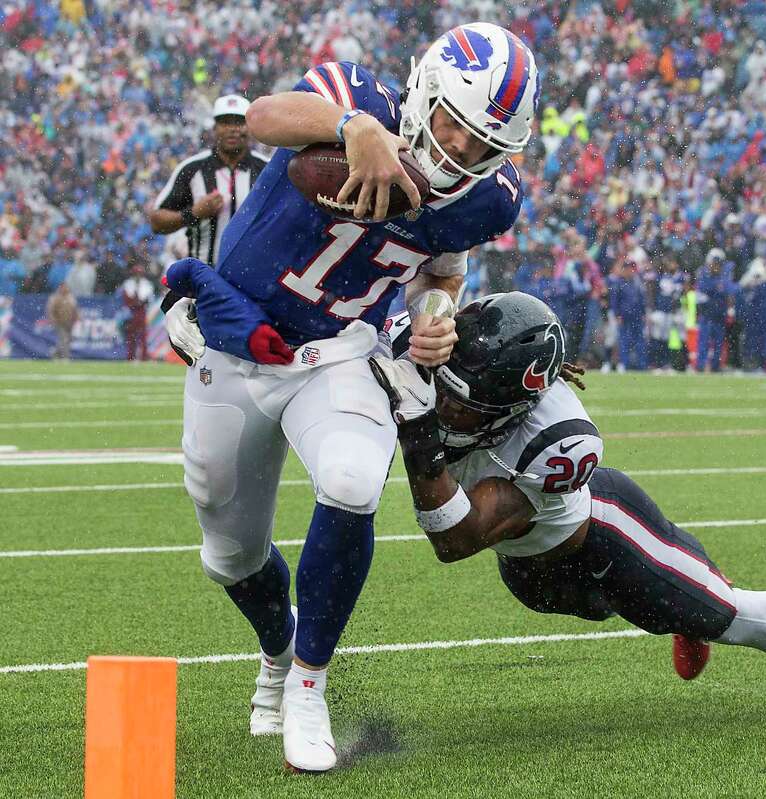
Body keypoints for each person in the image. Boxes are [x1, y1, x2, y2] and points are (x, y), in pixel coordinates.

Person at [160, 23, 539, 773]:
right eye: (452, 128)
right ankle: (277, 650)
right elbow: (265, 115)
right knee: (230, 555)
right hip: (240, 342)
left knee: (353, 479)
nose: (461, 153)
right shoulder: (361, 95)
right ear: (424, 95)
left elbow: (440, 267)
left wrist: (432, 318)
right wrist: (355, 128)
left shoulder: (487, 200)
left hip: (340, 350)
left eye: (481, 146)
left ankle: (308, 683)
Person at [369, 293, 766, 714]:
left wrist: (417, 435)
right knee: (631, 611)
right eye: (442, 388)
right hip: (530, 573)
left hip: (603, 535)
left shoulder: (556, 438)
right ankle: (685, 606)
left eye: (462, 404)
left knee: (725, 614)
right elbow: (406, 319)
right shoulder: (429, 351)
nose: (442, 405)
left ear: (513, 406)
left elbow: (456, 540)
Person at [148, 95, 271, 265]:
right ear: (214, 128)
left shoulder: (267, 170)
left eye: (238, 122)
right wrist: (193, 213)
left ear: (250, 127)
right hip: (203, 276)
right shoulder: (192, 169)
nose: (232, 129)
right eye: (225, 122)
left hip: (253, 277)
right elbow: (156, 222)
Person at [120, 264, 155, 361]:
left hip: (141, 311)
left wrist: (140, 302)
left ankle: (143, 357)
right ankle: (130, 356)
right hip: (132, 311)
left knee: (143, 335)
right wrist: (134, 302)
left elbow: (148, 299)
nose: (138, 276)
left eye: (139, 274)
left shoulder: (147, 284)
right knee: (131, 335)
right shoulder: (128, 283)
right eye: (136, 274)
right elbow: (126, 298)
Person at [45, 282, 78, 359]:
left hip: (69, 322)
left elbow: (75, 309)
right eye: (64, 287)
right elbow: (50, 309)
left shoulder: (71, 297)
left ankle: (55, 353)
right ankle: (66, 357)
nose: (65, 289)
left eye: (66, 287)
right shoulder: (55, 297)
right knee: (64, 339)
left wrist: (77, 317)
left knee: (67, 339)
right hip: (59, 321)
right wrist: (52, 319)